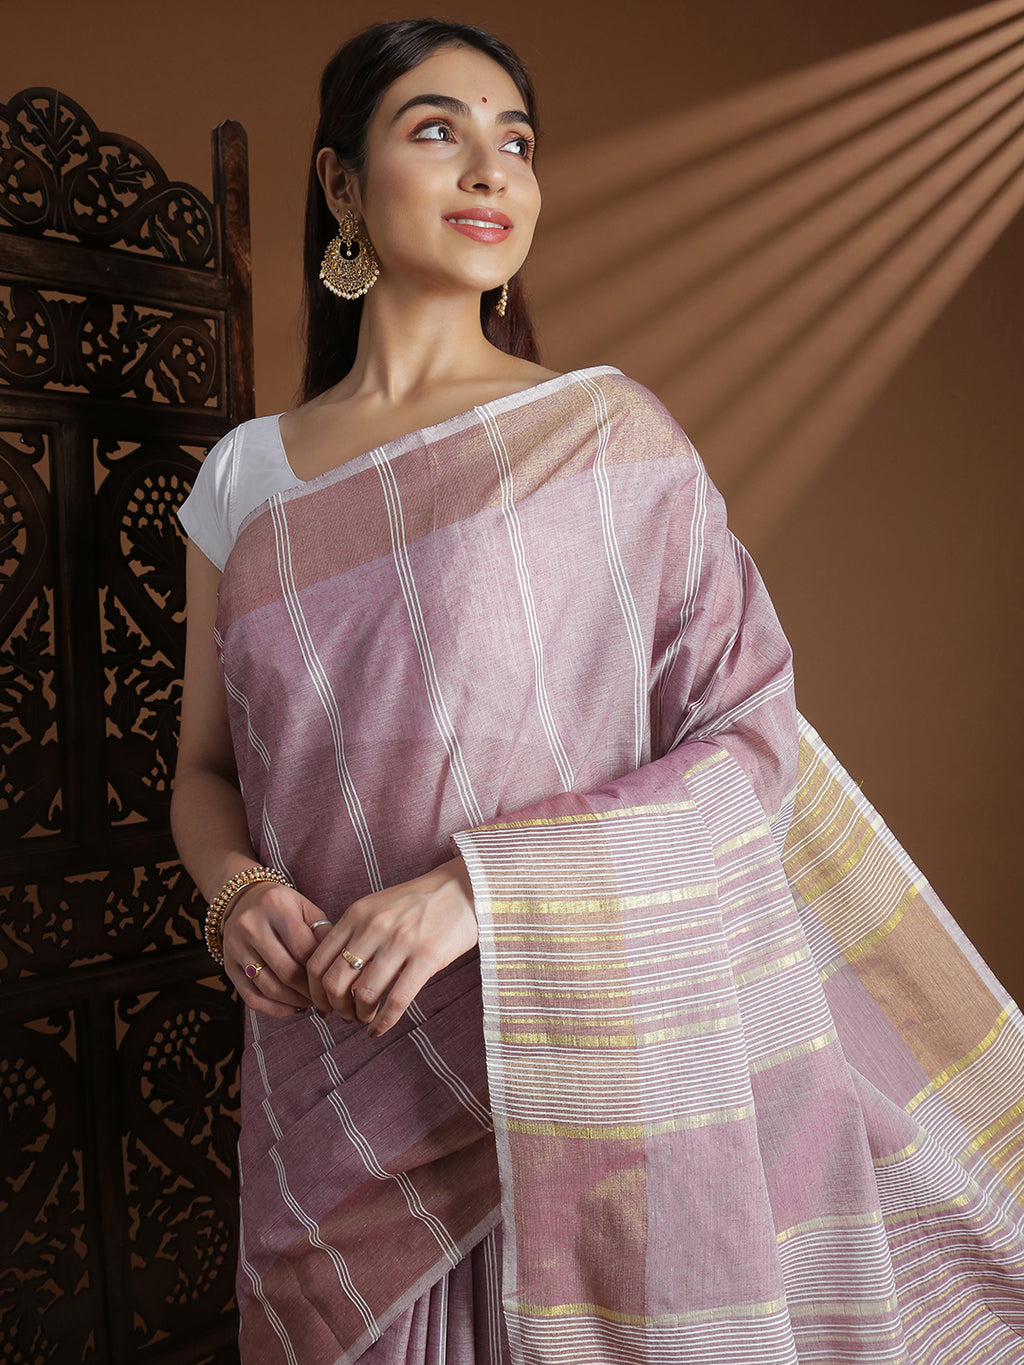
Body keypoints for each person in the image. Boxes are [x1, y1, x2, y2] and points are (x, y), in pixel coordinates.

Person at [171, 18, 1024, 1365]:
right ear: (340, 183)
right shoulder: (246, 476)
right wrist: (232, 892)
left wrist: (477, 890)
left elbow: (745, 741)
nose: (491, 171)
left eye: (517, 143)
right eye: (438, 130)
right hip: (329, 1068)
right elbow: (206, 770)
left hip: (569, 1046)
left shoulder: (604, 438)